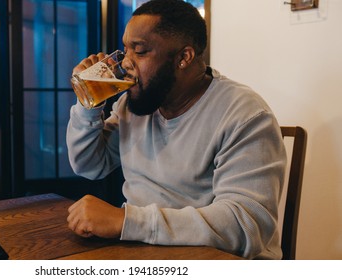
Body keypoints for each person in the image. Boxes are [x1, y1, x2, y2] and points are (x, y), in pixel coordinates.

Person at [66, 0, 286, 260]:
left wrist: (127, 221)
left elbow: (246, 225)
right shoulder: (133, 104)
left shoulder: (244, 113)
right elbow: (90, 165)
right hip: (143, 252)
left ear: (184, 57)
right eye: (125, 50)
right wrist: (89, 103)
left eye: (140, 51)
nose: (125, 63)